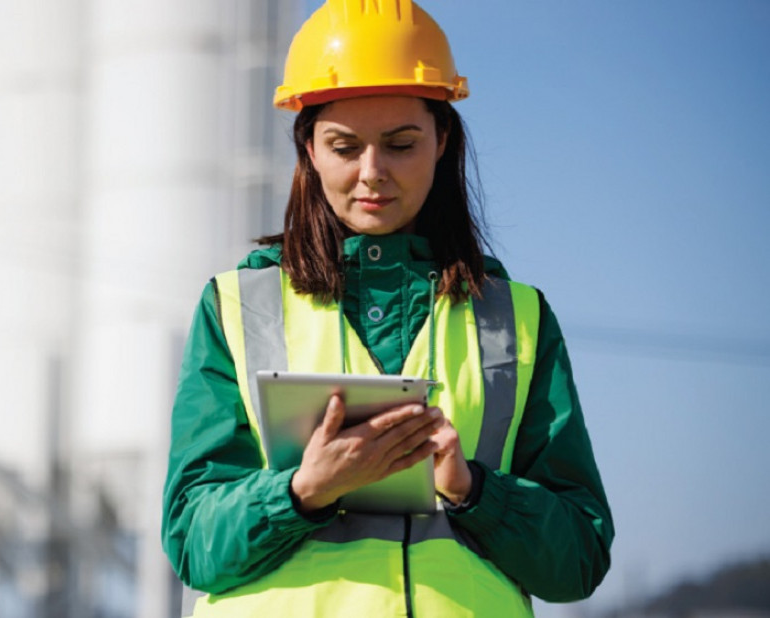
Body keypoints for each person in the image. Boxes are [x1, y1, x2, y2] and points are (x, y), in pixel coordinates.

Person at [162, 1, 614, 615]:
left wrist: (473, 490)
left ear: (442, 140)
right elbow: (192, 541)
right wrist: (303, 490)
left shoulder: (517, 319)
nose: (372, 173)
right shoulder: (237, 308)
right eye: (345, 147)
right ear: (308, 150)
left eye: (400, 144)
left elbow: (579, 558)